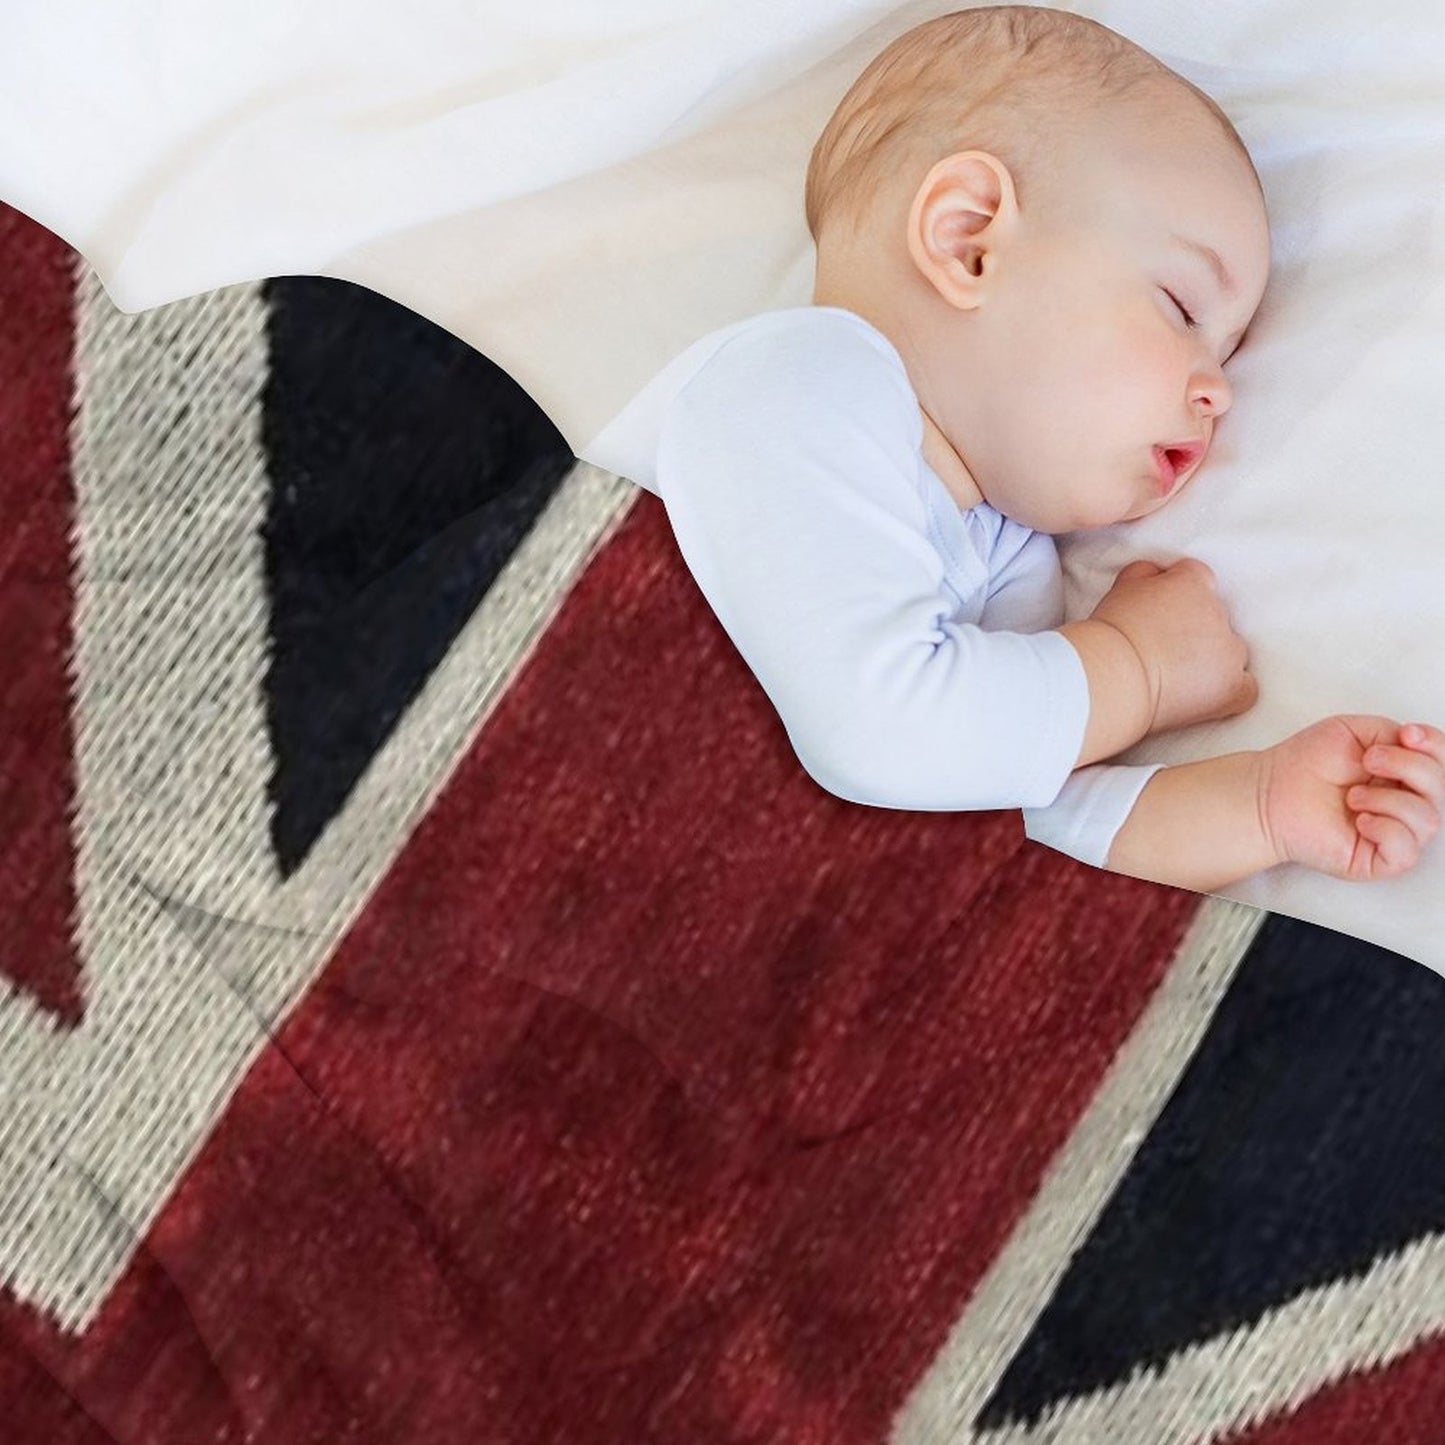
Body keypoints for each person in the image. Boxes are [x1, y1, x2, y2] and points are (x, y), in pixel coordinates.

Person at [587, 4, 1443, 894]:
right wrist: (1135, 668)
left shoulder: (999, 550)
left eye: (1224, 353)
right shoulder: (793, 380)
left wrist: (1264, 805)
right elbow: (881, 732)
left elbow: (1027, 803)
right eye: (1183, 309)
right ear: (969, 242)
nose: (1217, 389)